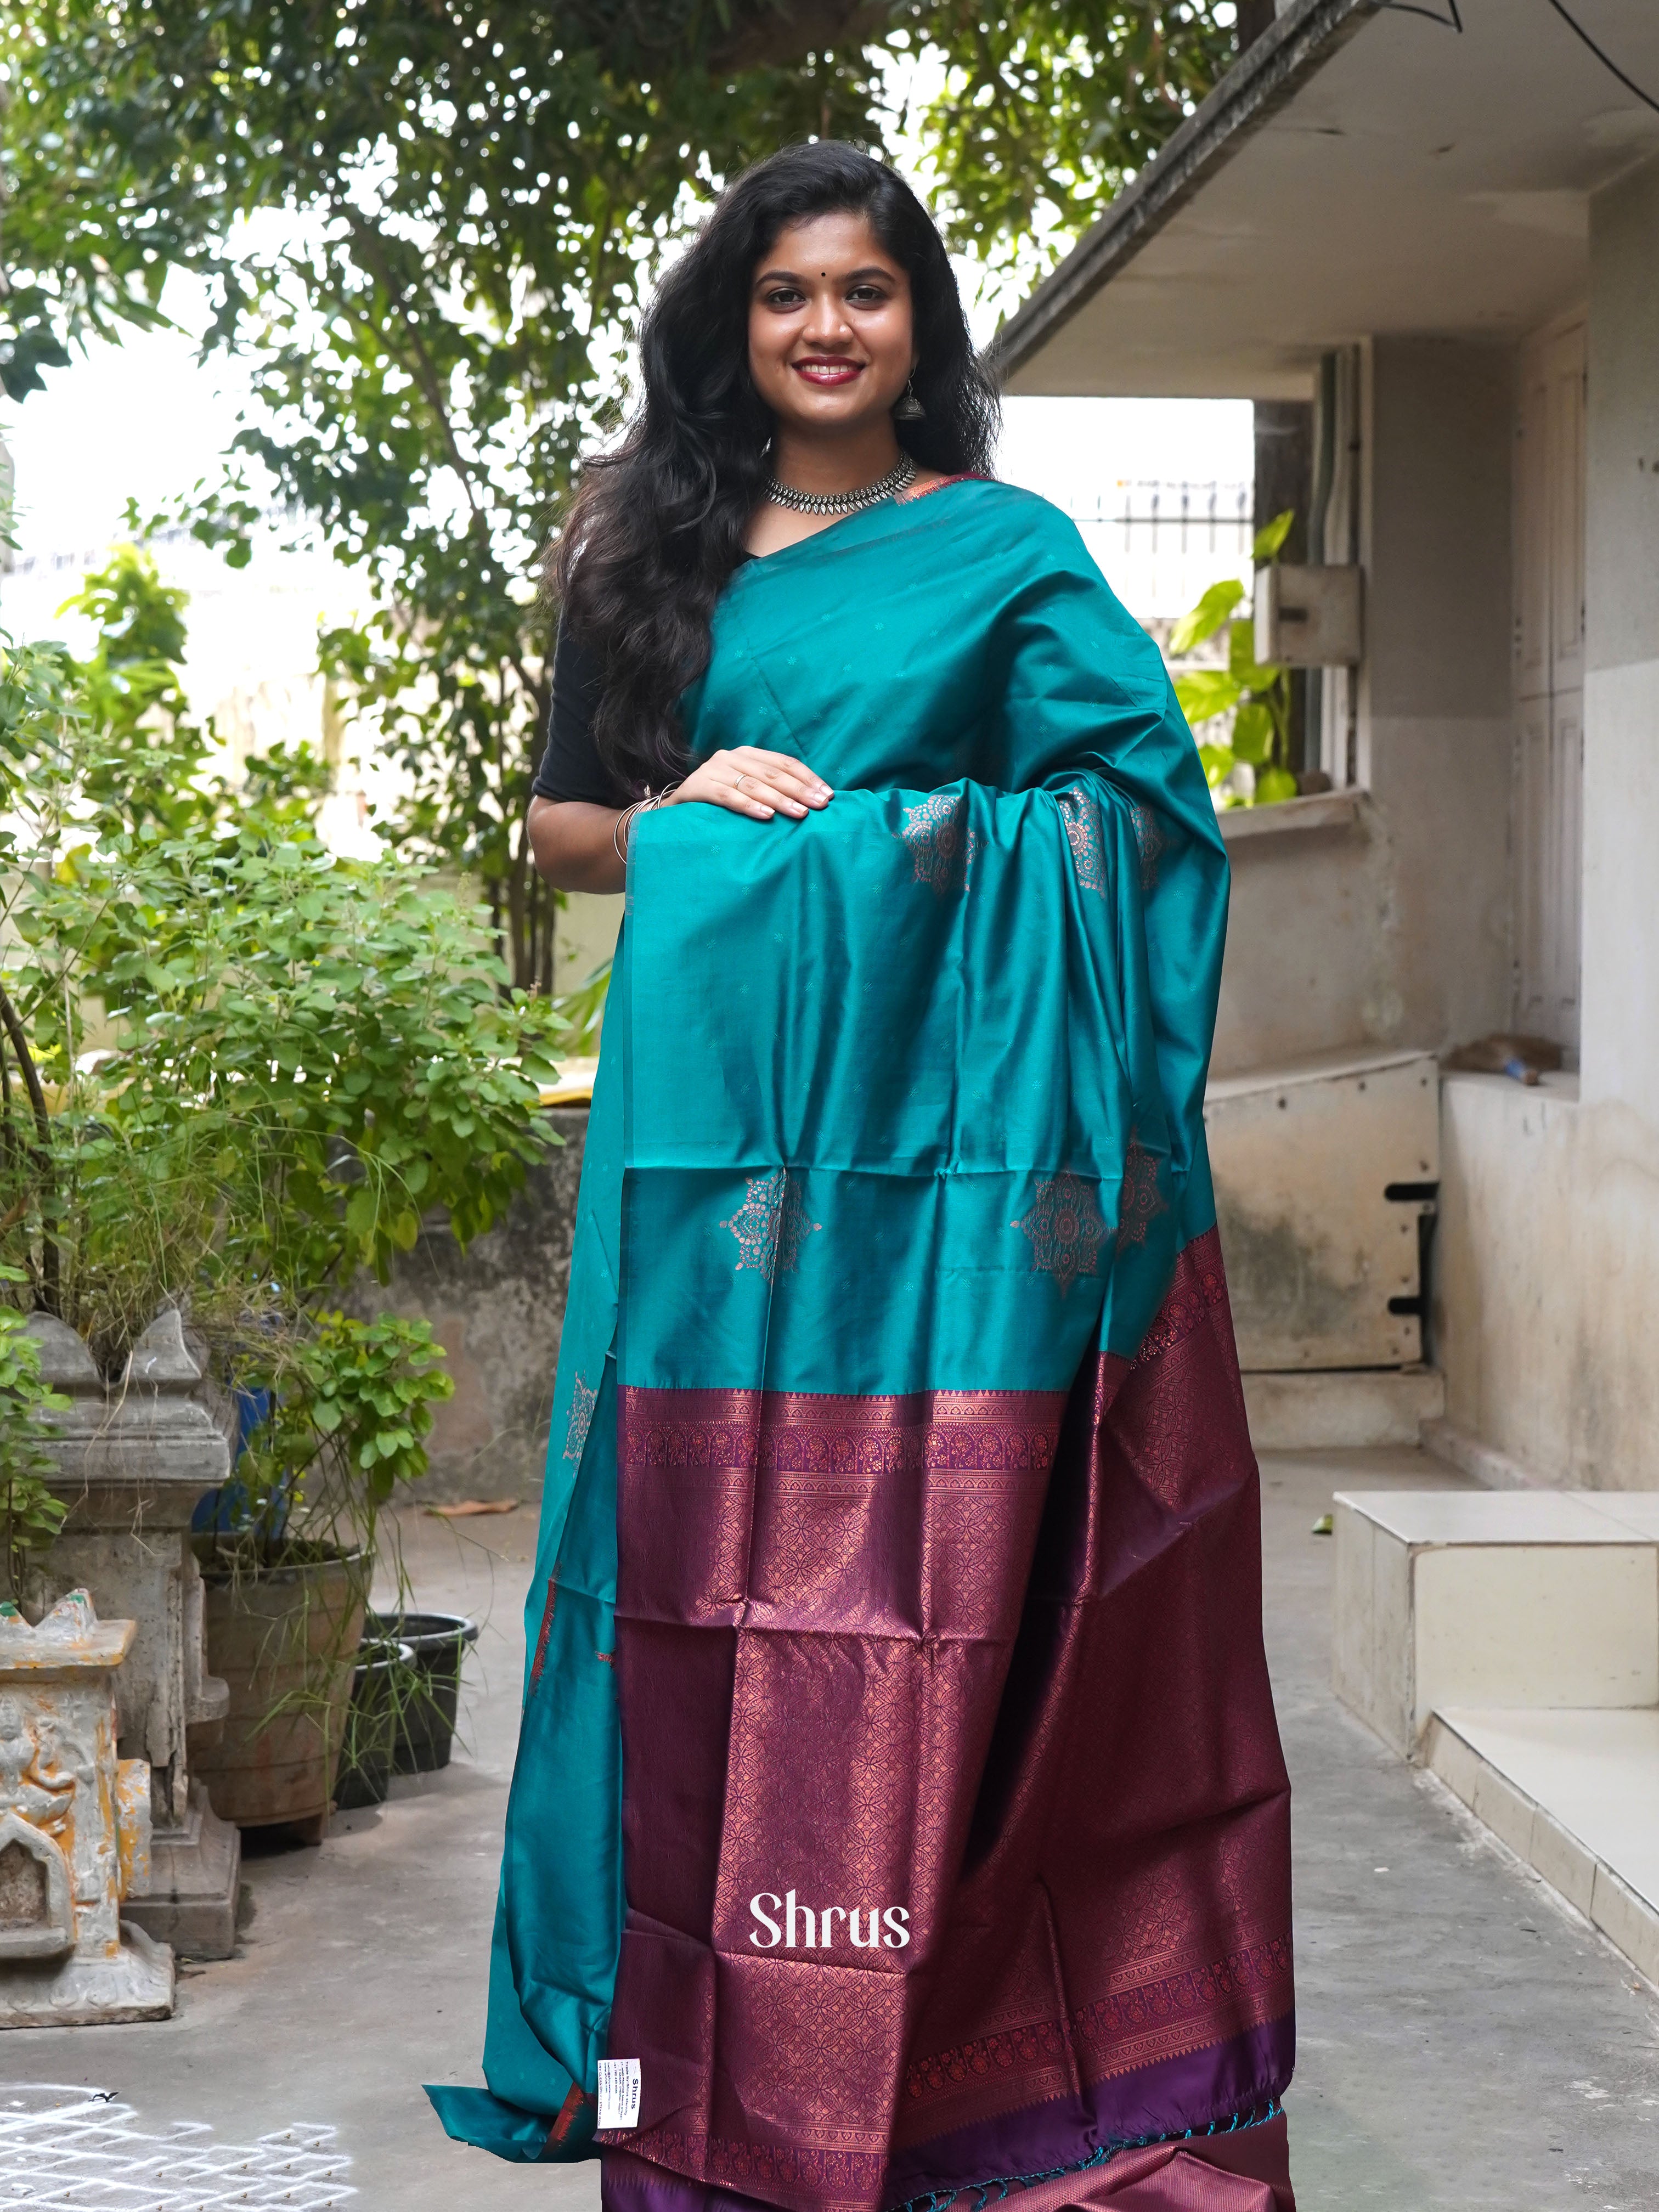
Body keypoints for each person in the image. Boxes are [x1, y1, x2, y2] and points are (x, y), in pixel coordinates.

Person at [428, 142, 1296, 2212]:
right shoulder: (653, 550)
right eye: (787, 294)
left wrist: (918, 851)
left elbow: (1142, 812)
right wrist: (692, 810)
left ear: (924, 322)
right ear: (736, 326)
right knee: (708, 1588)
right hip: (721, 1158)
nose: (828, 326)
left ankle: (966, 2077)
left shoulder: (1004, 551)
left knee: (958, 1598)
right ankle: (698, 2071)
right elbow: (558, 827)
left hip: (958, 1170)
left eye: (868, 290)